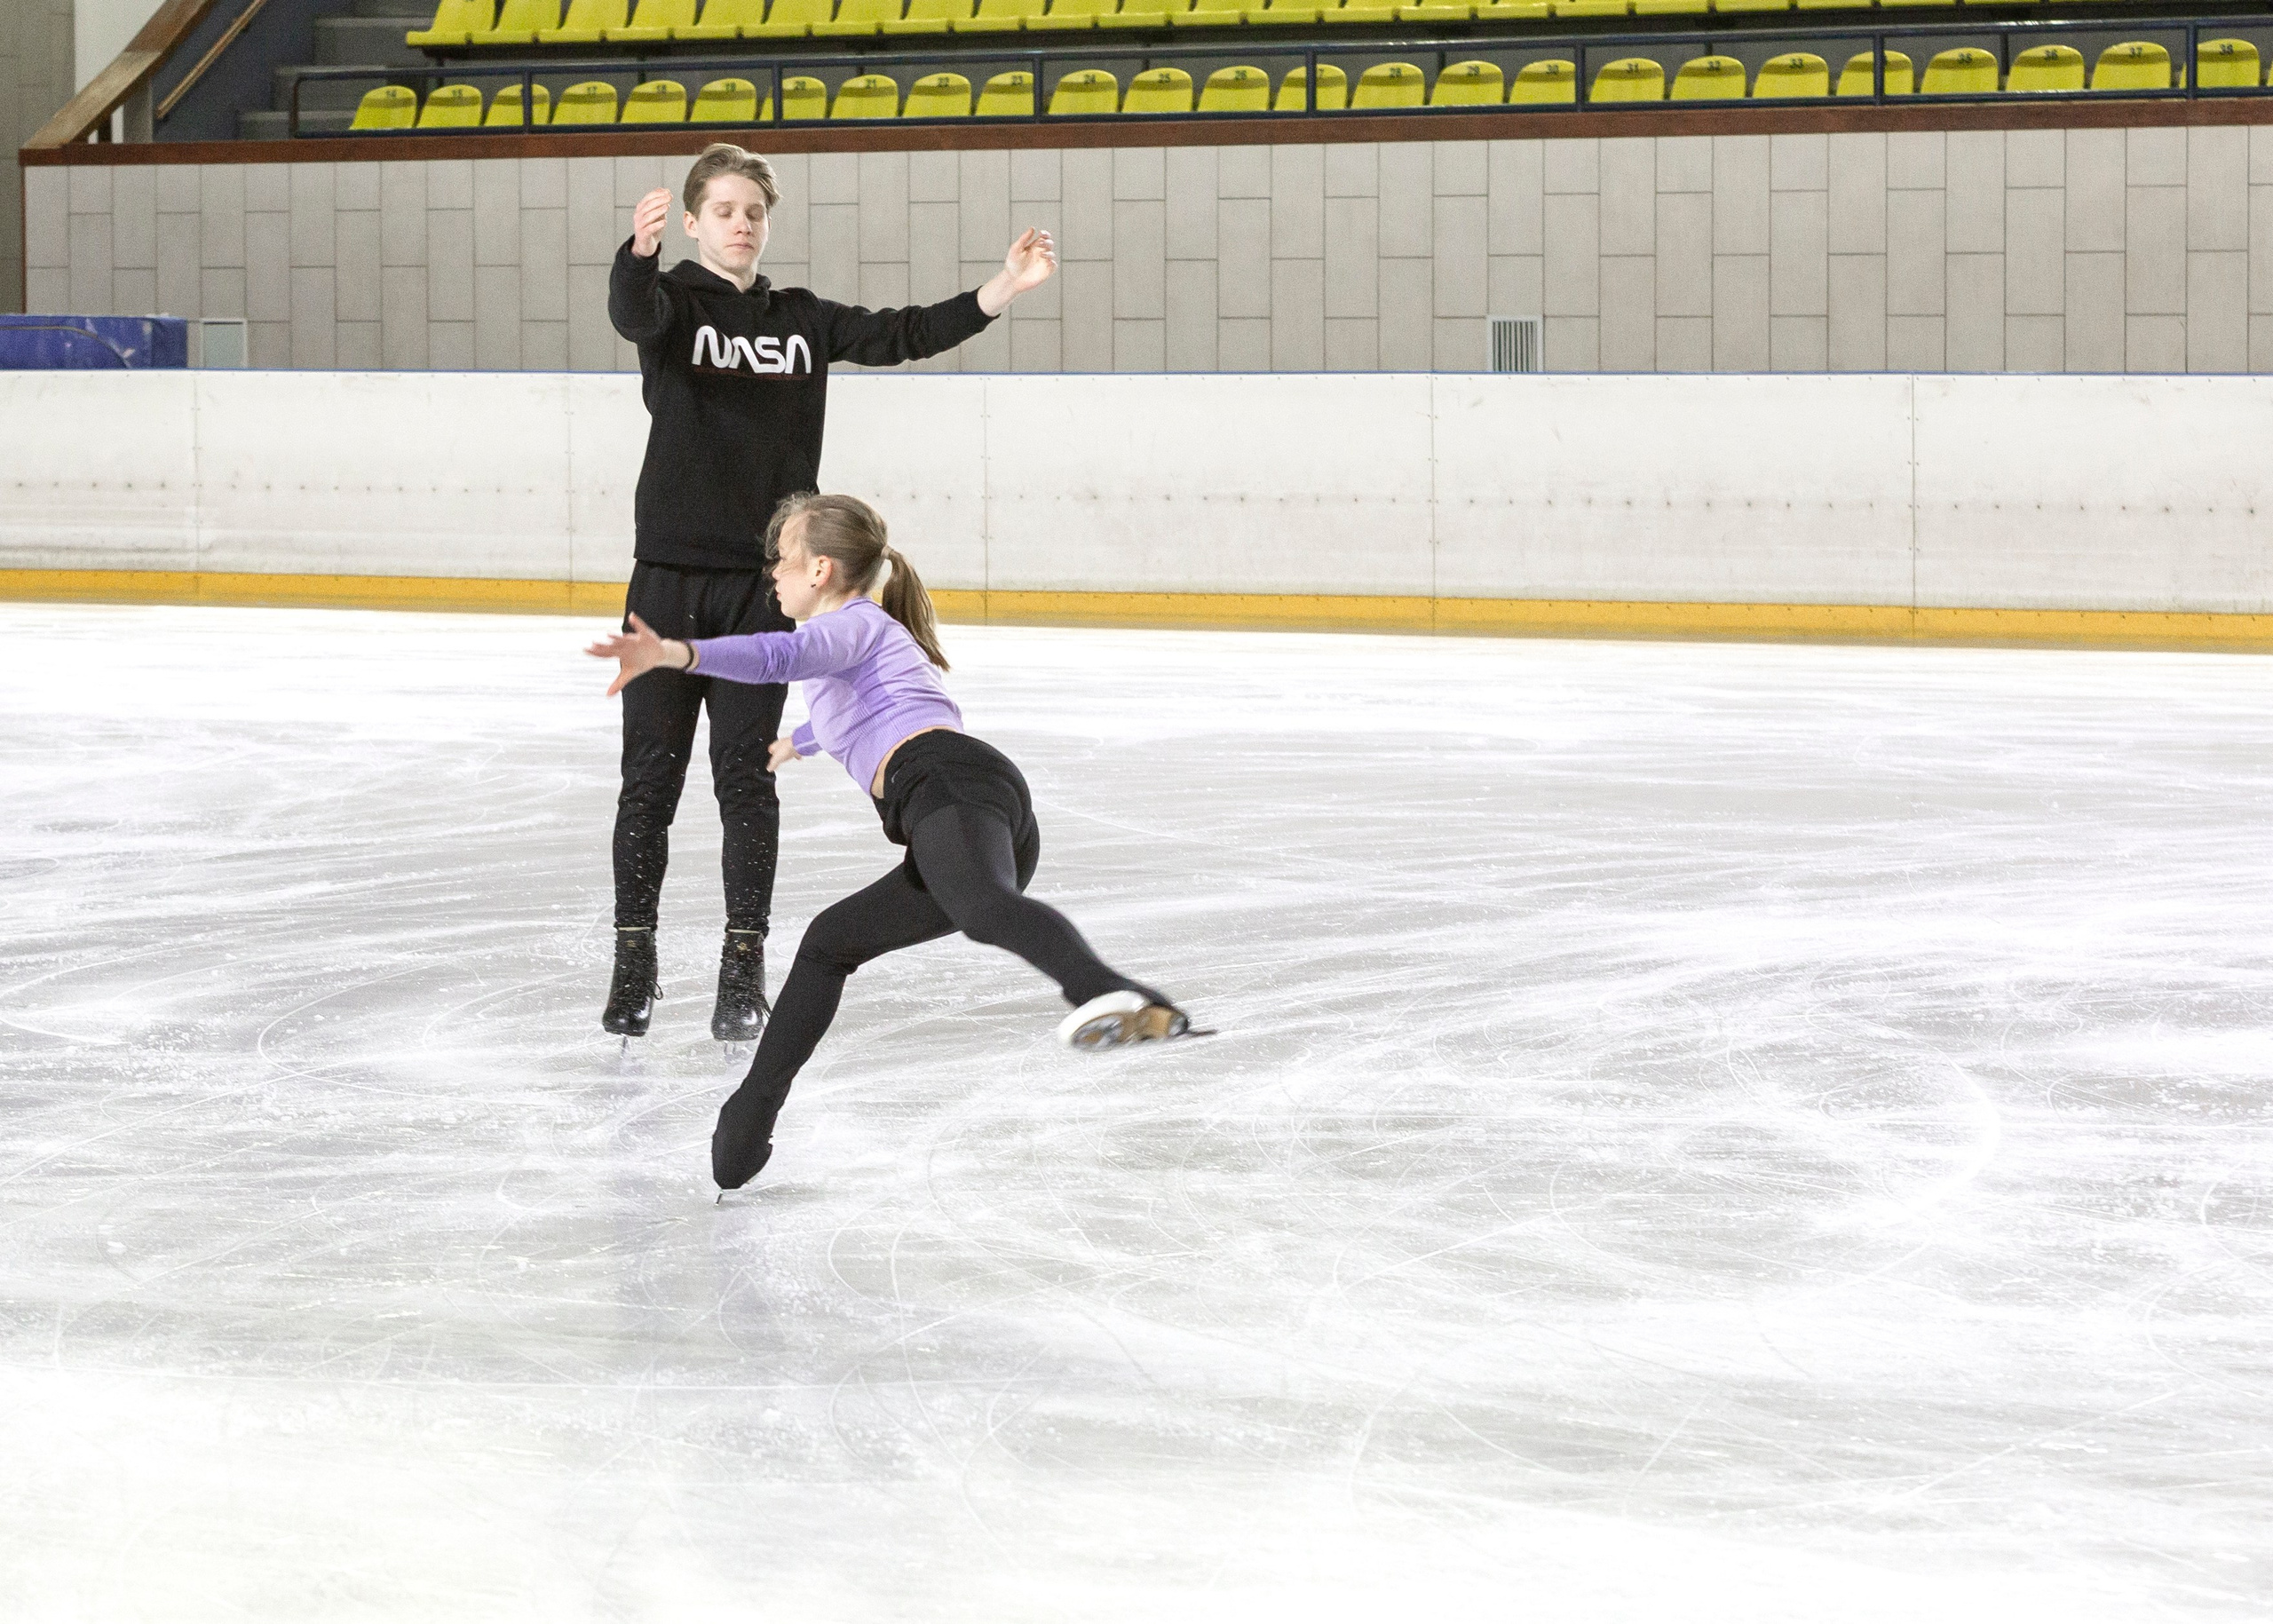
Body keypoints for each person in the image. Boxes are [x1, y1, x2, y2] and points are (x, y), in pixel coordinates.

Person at [587, 494, 1193, 1190]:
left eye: (781, 559)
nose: (771, 574)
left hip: (948, 788)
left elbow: (781, 654)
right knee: (829, 942)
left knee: (983, 909)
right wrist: (800, 741)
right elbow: (863, 707)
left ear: (820, 569)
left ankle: (1115, 993)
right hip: (959, 805)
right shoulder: (857, 643)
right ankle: (748, 1117)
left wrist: (676, 652)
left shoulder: (851, 623)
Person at [602, 141, 1058, 1049]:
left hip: (761, 590)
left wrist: (1000, 288)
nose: (741, 224)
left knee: (745, 781)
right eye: (724, 210)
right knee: (648, 781)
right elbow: (630, 312)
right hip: (666, 580)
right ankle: (634, 960)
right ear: (693, 222)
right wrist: (638, 255)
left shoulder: (801, 319)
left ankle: (743, 967)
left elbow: (900, 333)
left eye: (754, 212)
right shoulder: (673, 305)